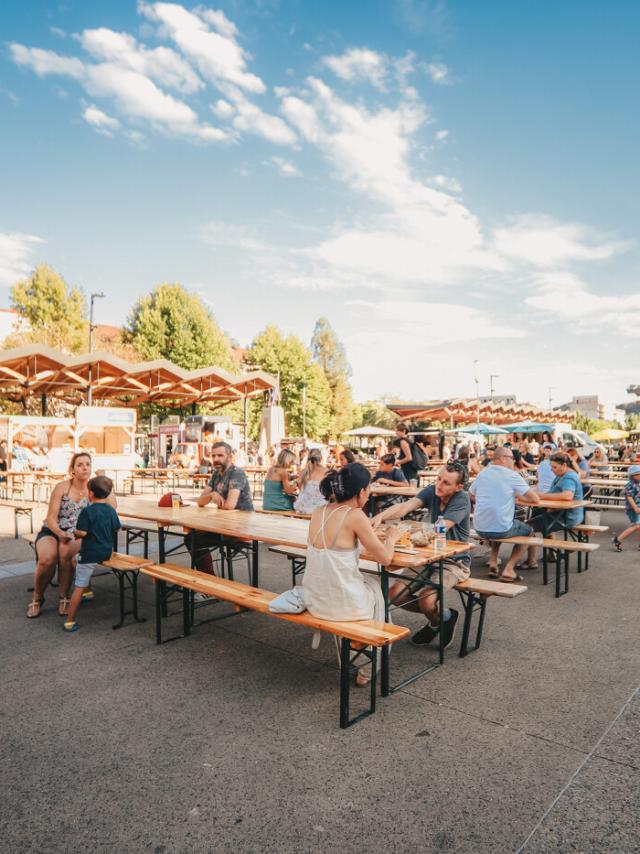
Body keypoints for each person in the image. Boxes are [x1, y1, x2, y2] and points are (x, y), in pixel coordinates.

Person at [302, 463, 401, 686]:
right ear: (361, 492)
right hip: (341, 606)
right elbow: (385, 559)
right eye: (369, 488)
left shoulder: (319, 512)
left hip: (315, 601)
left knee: (362, 584)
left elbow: (340, 549)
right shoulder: (356, 516)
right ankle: (367, 667)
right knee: (379, 595)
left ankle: (353, 648)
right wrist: (392, 538)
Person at [372, 462, 471, 648]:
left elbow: (439, 529)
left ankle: (436, 621)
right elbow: (405, 506)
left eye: (446, 483)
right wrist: (380, 517)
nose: (439, 485)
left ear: (458, 487)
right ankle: (442, 618)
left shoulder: (461, 499)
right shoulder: (433, 489)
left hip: (454, 561)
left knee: (427, 599)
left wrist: (403, 534)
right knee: (394, 594)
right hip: (427, 556)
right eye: (438, 479)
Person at [27, 452, 116, 619]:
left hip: (79, 533)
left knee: (66, 552)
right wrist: (60, 533)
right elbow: (51, 518)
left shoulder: (93, 488)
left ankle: (64, 596)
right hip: (53, 530)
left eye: (88, 464)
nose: (84, 467)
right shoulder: (62, 487)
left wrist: (103, 478)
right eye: (80, 464)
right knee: (47, 559)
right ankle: (37, 598)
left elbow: (112, 506)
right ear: (72, 470)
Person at [469, 446, 540, 581]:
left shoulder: (483, 473)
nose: (513, 461)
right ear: (502, 459)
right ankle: (509, 569)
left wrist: (490, 498)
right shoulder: (512, 475)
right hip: (500, 529)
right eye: (511, 458)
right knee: (529, 531)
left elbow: (471, 495)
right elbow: (534, 499)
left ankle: (493, 563)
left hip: (479, 528)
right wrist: (517, 497)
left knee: (500, 522)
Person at [63, 476, 121, 632]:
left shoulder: (87, 511)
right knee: (75, 561)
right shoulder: (111, 510)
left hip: (89, 554)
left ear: (91, 493)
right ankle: (88, 592)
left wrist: (75, 532)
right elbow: (117, 528)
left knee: (78, 585)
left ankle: (69, 621)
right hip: (106, 552)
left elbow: (82, 532)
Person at [191, 441, 254, 575]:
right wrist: (212, 494)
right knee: (192, 537)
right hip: (223, 524)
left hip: (239, 528)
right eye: (213, 456)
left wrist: (212, 496)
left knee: (194, 539)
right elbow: (200, 501)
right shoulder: (216, 474)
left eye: (220, 455)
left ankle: (208, 583)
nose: (216, 459)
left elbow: (230, 506)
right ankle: (208, 581)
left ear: (230, 456)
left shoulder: (236, 473)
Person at [524, 451, 585, 566]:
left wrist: (541, 495)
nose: (552, 470)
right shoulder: (562, 475)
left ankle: (532, 560)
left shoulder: (568, 477)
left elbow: (568, 496)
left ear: (564, 465)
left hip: (567, 517)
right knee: (541, 520)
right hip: (562, 514)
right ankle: (553, 553)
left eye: (555, 467)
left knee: (527, 527)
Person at [612, 465, 640, 551]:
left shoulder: (637, 483)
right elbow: (629, 497)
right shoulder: (630, 484)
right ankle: (617, 540)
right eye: (639, 474)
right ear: (633, 475)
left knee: (639, 526)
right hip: (632, 508)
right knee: (636, 525)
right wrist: (635, 508)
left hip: (638, 507)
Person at [293, 449, 328, 514]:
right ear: (321, 458)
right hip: (320, 507)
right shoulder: (327, 472)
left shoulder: (304, 472)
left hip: (302, 507)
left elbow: (301, 490)